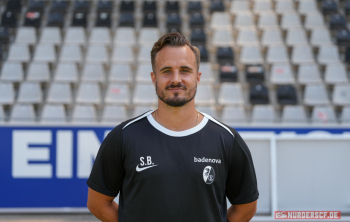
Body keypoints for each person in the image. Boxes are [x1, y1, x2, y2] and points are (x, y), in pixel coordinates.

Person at [87, 32, 259, 222]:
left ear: (198, 77)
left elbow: (246, 207)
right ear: (154, 78)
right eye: (166, 71)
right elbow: (98, 203)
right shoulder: (123, 137)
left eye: (185, 70)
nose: (176, 79)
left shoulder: (227, 140)